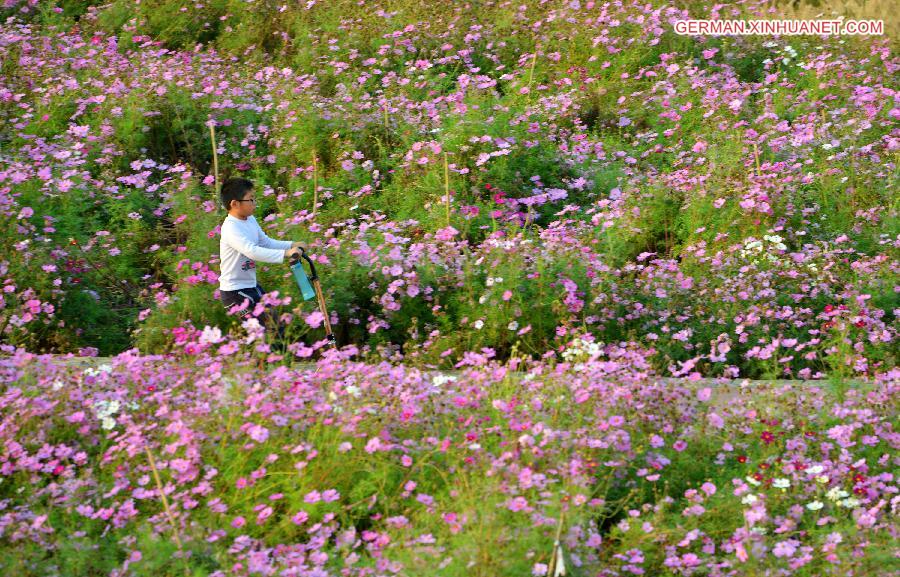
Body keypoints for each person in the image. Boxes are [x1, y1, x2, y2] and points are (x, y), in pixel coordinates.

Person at [217, 177, 300, 345]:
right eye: (251, 199)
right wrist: (286, 253)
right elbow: (252, 251)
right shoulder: (231, 228)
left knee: (275, 325)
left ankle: (275, 365)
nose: (254, 203)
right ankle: (260, 366)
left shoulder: (250, 220)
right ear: (235, 204)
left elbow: (265, 242)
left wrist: (292, 244)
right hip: (234, 292)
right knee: (262, 333)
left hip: (250, 286)